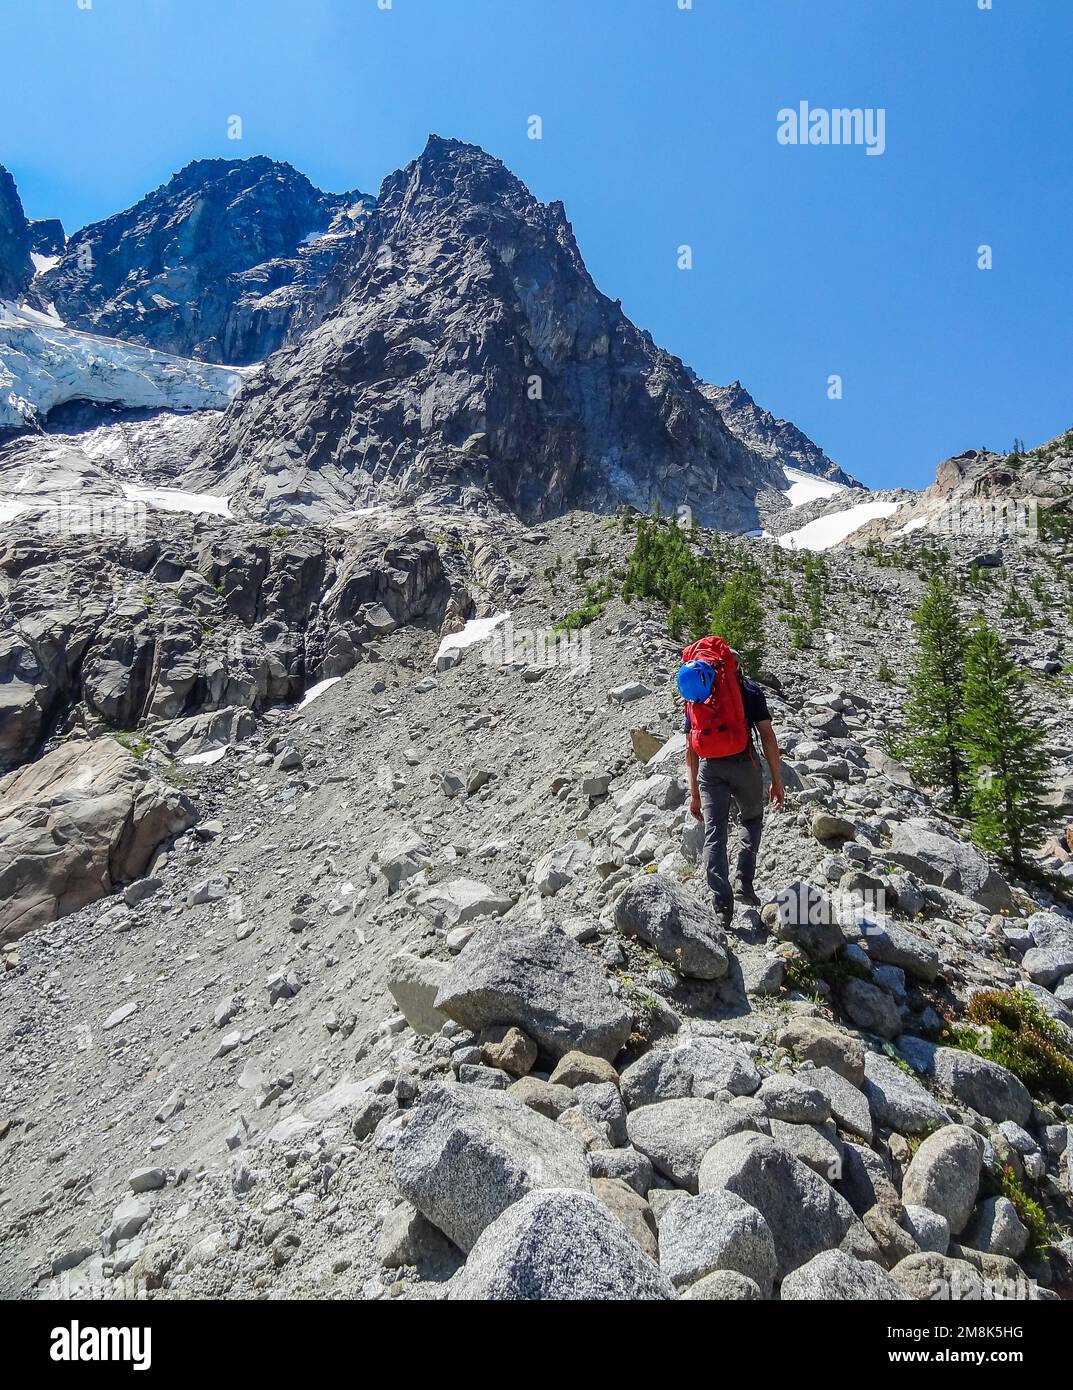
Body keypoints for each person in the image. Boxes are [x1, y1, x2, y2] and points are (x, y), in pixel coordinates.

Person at [679, 647, 784, 921]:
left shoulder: (697, 696)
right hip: (743, 764)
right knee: (750, 820)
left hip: (709, 768)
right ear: (734, 665)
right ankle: (744, 883)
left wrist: (694, 793)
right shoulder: (749, 691)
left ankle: (722, 906)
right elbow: (768, 737)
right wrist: (776, 780)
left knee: (715, 833)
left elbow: (690, 748)